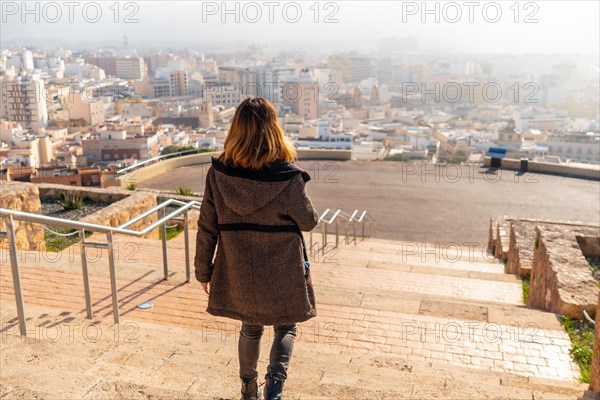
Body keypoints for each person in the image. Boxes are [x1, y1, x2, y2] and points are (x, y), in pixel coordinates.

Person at [194, 97, 319, 400]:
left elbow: (207, 226)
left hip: (239, 265)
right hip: (282, 268)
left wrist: (203, 271)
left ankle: (248, 389)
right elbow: (309, 221)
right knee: (285, 327)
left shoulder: (218, 174)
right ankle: (273, 389)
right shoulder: (288, 177)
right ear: (273, 129)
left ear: (236, 130)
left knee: (251, 328)